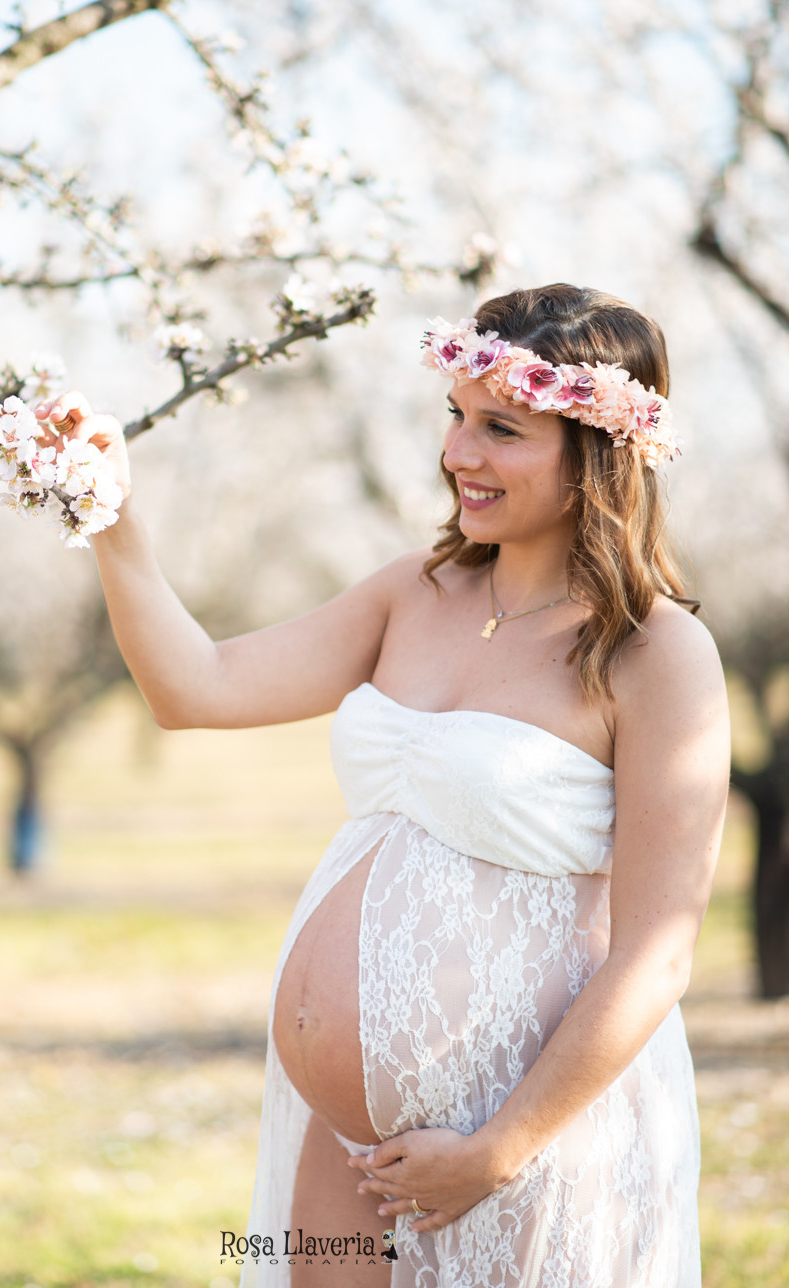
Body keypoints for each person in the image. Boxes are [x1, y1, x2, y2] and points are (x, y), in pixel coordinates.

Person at [36, 284, 730, 1288]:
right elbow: (197, 688)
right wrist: (114, 519)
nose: (458, 453)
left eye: (502, 428)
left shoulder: (654, 651)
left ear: (600, 449)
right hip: (346, 1137)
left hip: (532, 1134)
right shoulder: (416, 590)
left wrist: (499, 1149)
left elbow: (658, 954)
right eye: (455, 417)